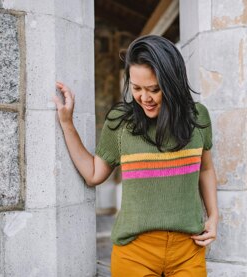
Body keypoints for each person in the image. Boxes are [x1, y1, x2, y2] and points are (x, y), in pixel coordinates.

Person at [53, 35, 218, 276]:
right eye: (136, 88)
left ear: (173, 84)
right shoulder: (120, 122)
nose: (144, 98)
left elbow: (205, 169)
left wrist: (214, 217)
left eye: (154, 89)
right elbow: (93, 174)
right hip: (134, 253)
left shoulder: (198, 117)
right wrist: (67, 123)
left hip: (188, 251)